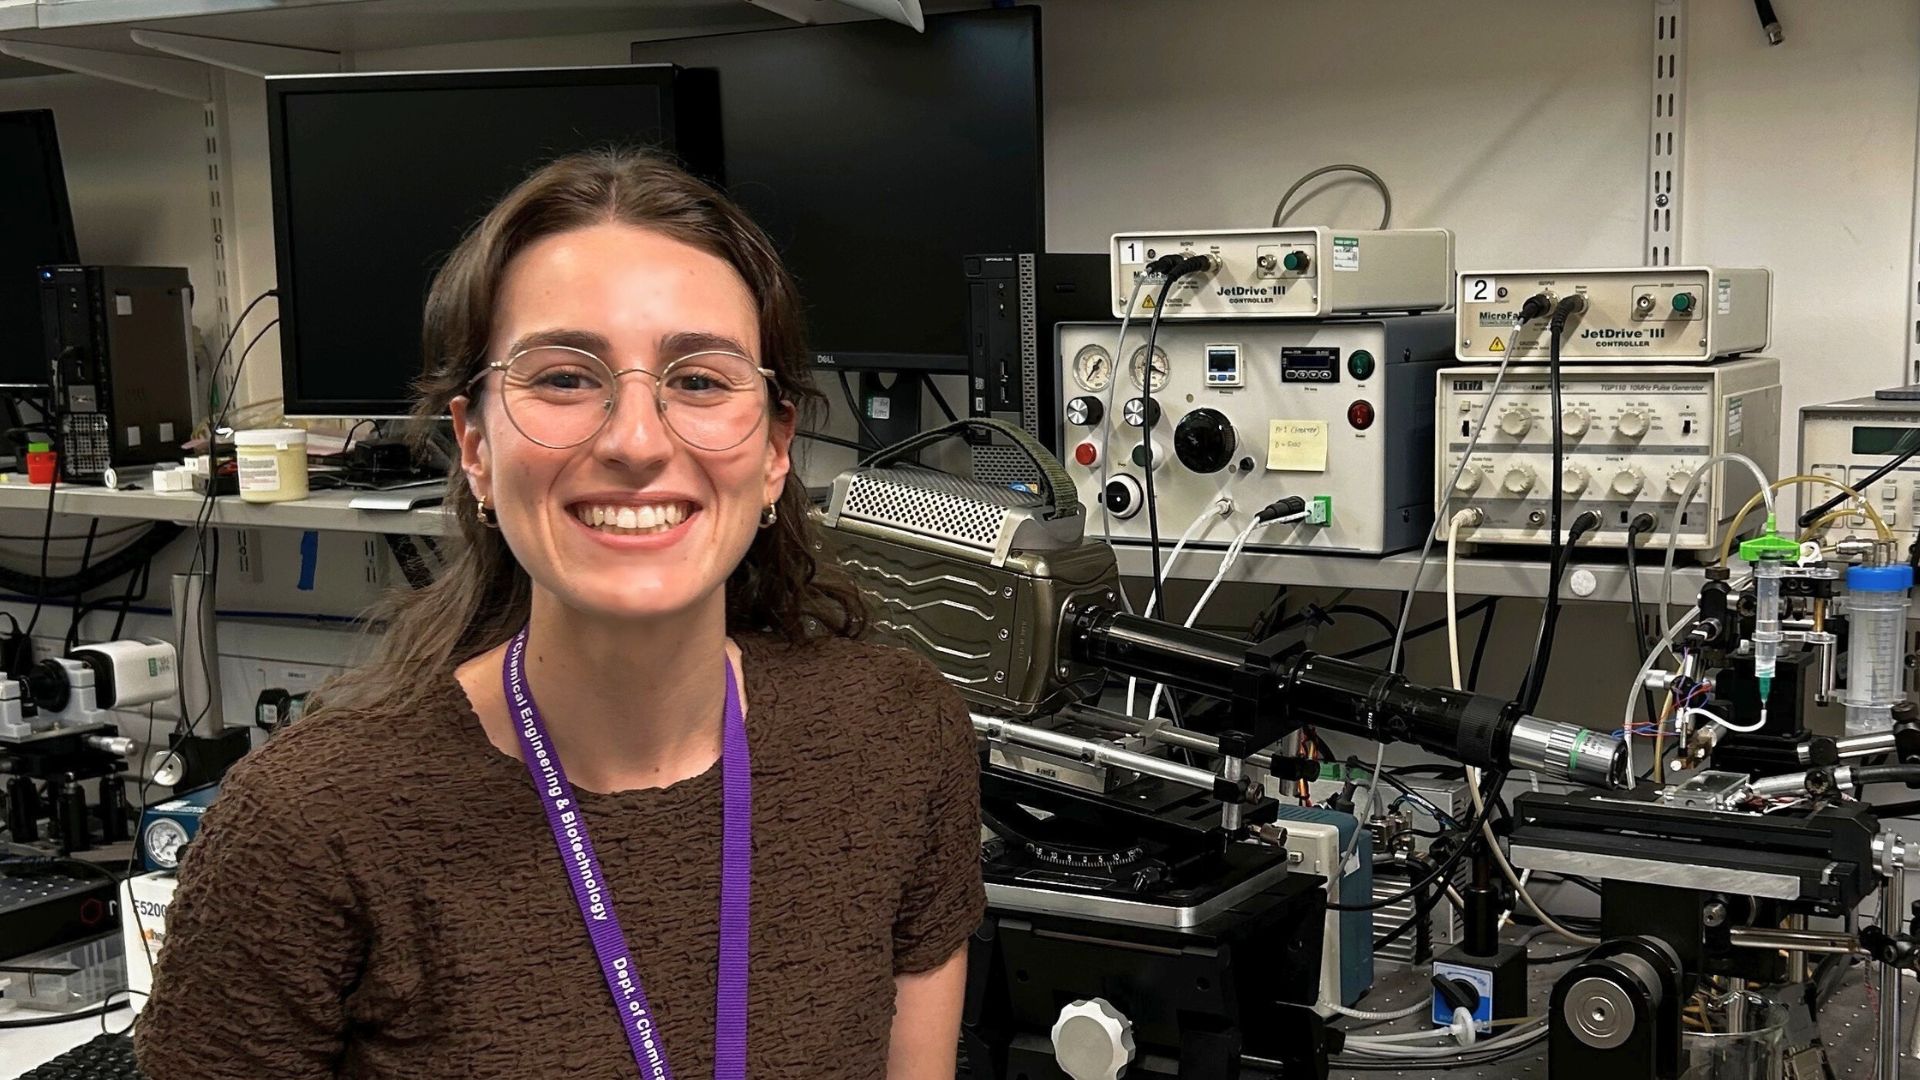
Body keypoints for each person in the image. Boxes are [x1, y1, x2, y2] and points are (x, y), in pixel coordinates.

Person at [135, 149, 984, 1079]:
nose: (634, 440)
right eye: (565, 378)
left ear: (777, 448)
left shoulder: (894, 737)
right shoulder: (307, 830)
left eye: (700, 380)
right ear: (476, 447)